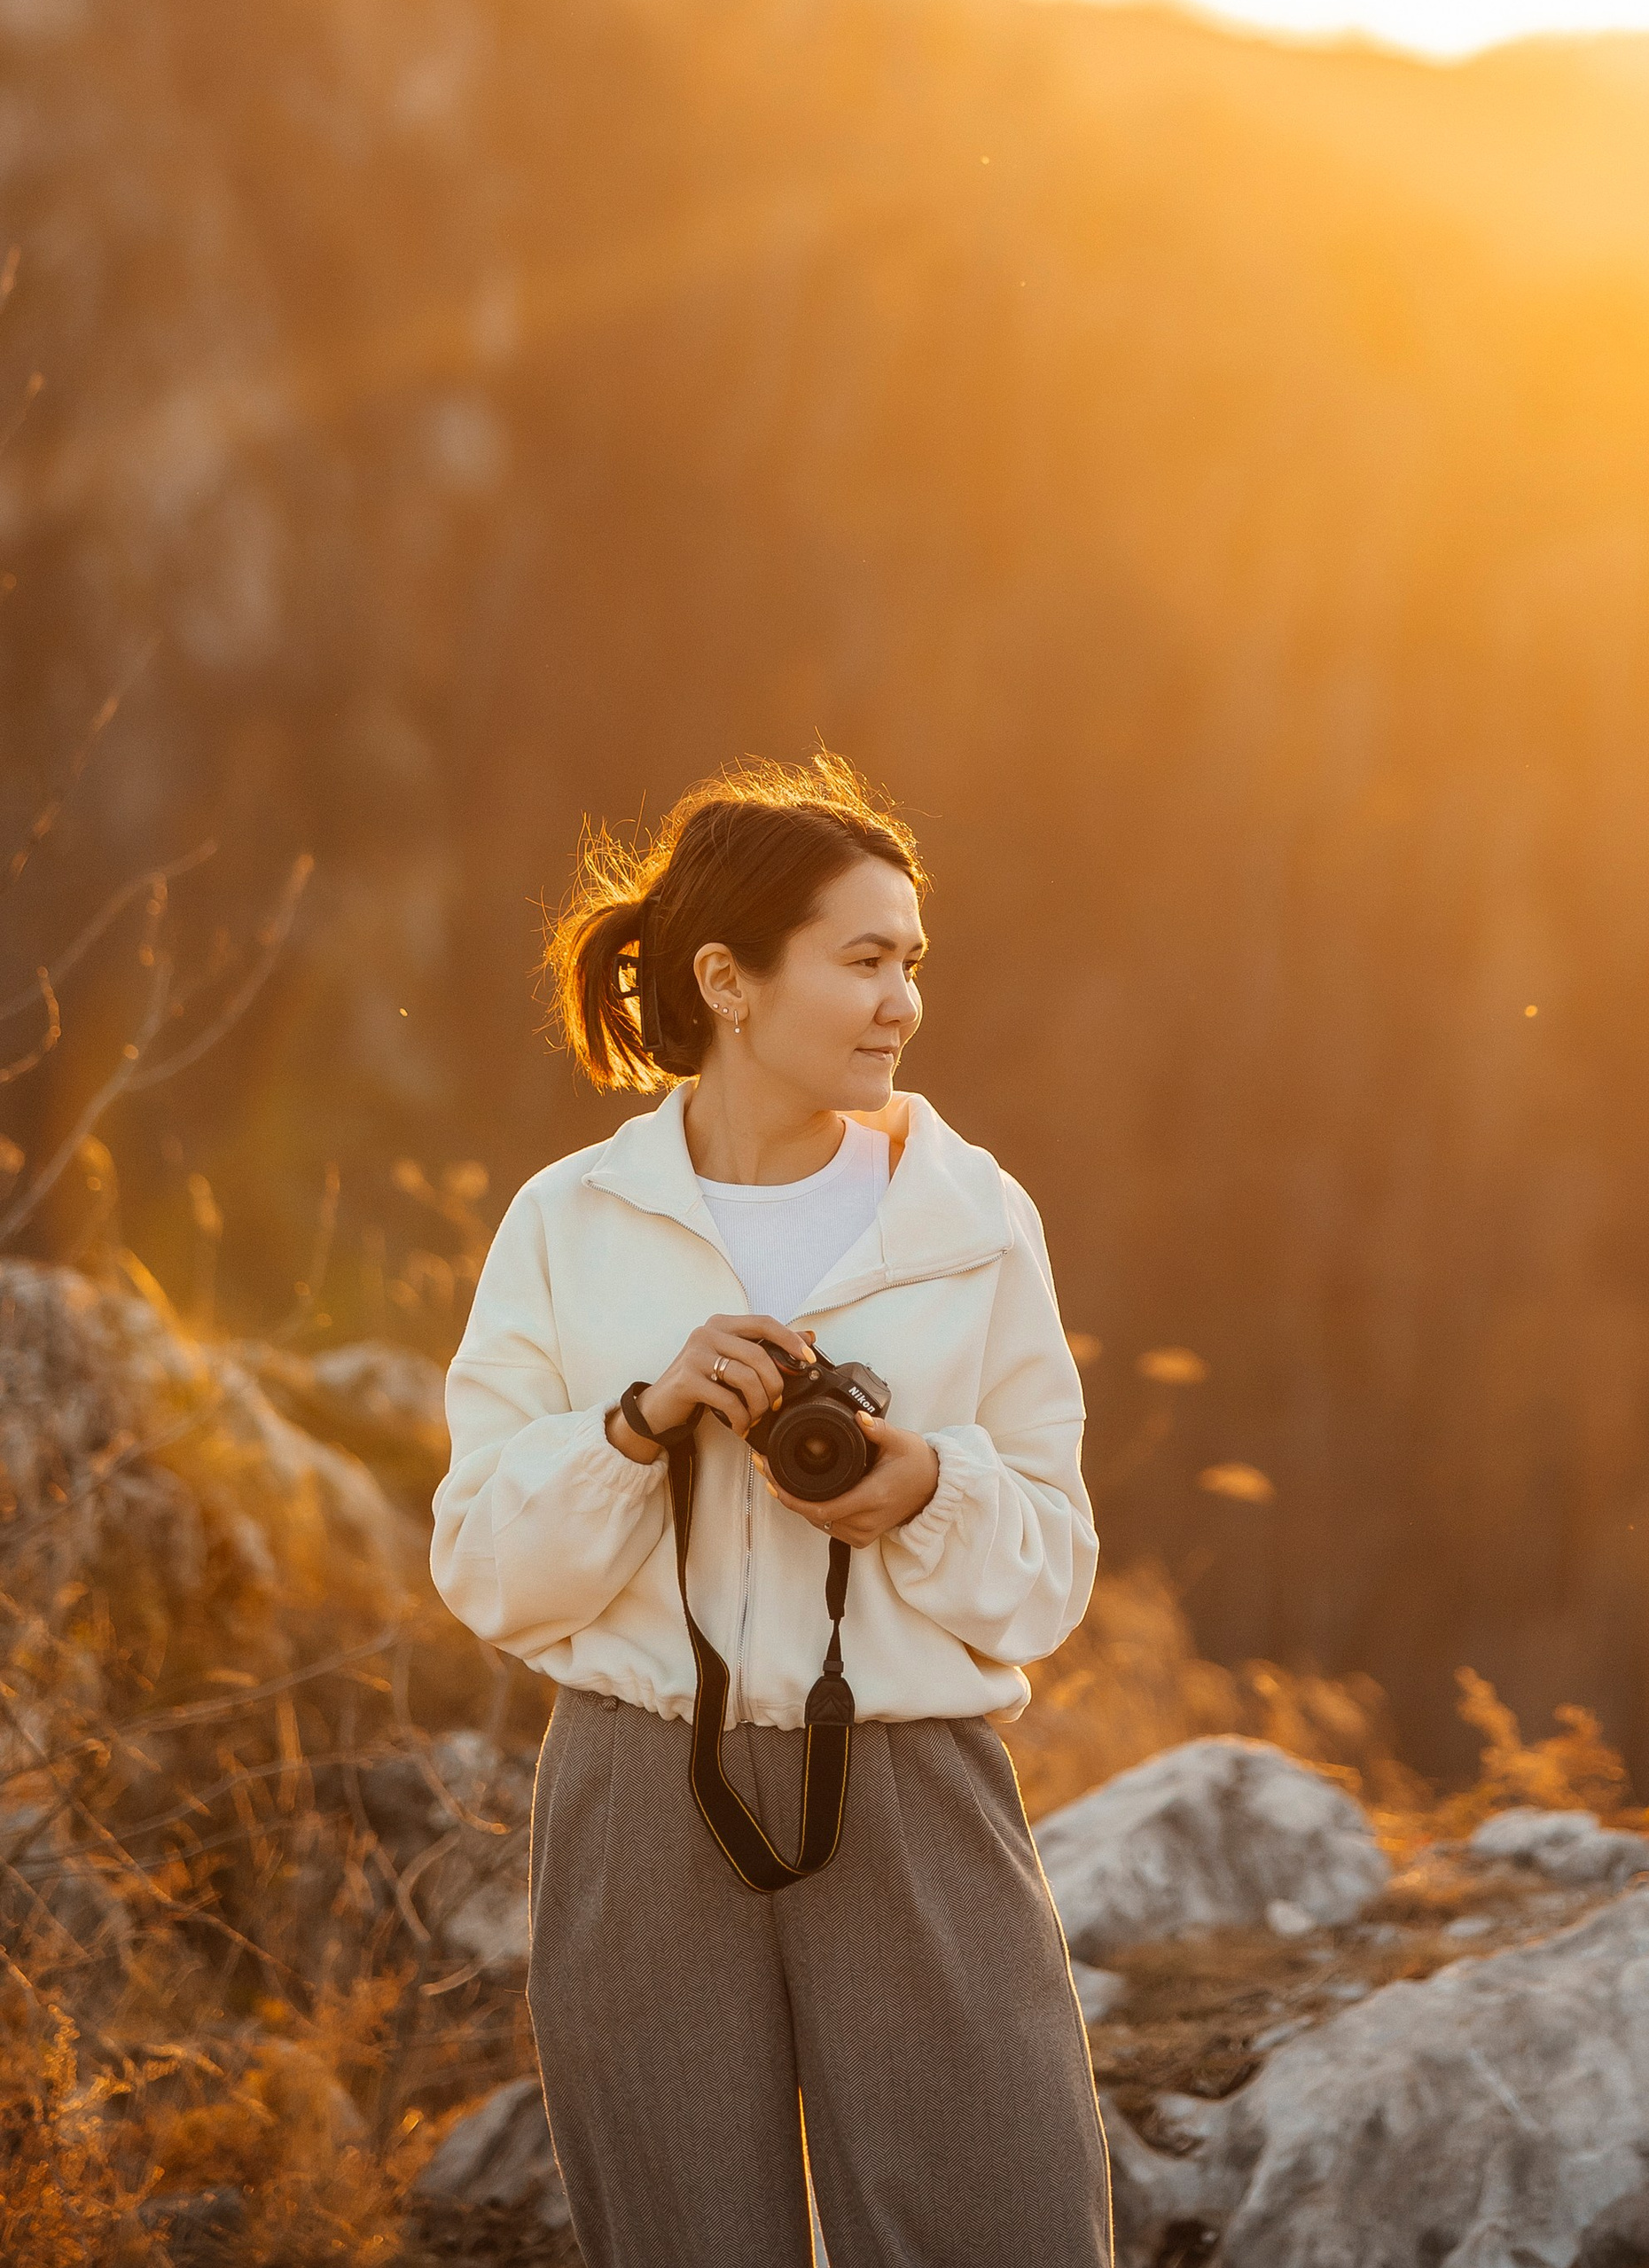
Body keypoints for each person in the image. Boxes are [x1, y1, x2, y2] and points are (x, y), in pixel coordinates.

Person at [429, 755, 1114, 2267]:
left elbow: (1050, 1574)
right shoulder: (570, 1222)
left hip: (915, 1784)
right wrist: (640, 1425)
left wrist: (923, 1485)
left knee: (1006, 2229)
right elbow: (483, 1563)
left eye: (911, 963)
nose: (902, 1002)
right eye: (864, 959)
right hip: (634, 1793)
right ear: (728, 979)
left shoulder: (974, 1217)